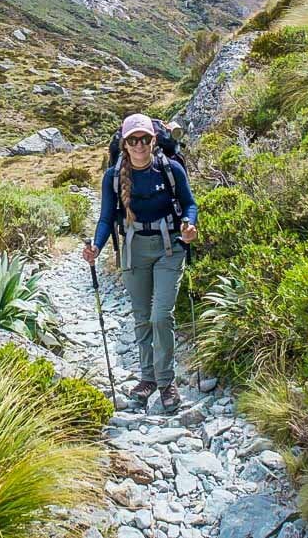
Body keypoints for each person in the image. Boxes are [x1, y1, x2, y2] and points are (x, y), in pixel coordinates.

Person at [83, 113, 198, 412]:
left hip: (168, 247)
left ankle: (166, 382)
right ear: (124, 143)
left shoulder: (170, 169)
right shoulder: (113, 175)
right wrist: (96, 246)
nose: (139, 145)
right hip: (134, 249)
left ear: (153, 140)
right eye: (132, 140)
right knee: (142, 316)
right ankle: (147, 378)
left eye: (144, 139)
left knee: (161, 315)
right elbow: (107, 218)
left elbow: (189, 204)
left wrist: (189, 225)